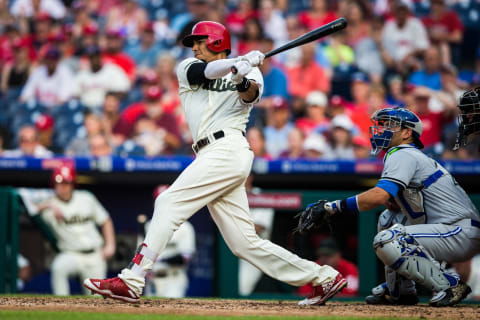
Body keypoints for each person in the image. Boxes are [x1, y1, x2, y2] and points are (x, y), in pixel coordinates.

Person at [84, 20, 347, 305]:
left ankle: (132, 279)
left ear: (217, 42)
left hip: (229, 147)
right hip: (210, 152)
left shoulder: (251, 71)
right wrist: (237, 64)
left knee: (168, 202)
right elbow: (205, 72)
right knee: (244, 243)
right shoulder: (187, 67)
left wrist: (242, 77)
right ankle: (323, 277)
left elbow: (250, 95)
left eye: (200, 41)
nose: (194, 47)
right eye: (193, 42)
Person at [295, 107, 480, 307]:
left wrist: (332, 207)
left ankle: (450, 285)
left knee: (388, 240)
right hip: (449, 230)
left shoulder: (403, 153)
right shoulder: (408, 155)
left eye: (391, 125)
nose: (383, 129)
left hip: (460, 231)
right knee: (388, 218)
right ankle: (400, 290)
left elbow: (379, 195)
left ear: (407, 133)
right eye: (383, 125)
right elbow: (394, 201)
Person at [37, 165, 116, 295]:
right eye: (59, 183)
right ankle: (60, 306)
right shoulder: (49, 205)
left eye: (66, 183)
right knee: (58, 268)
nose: (63, 186)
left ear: (73, 184)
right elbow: (26, 207)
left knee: (96, 299)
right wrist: (48, 205)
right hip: (71, 254)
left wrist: (110, 245)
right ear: (54, 184)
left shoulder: (86, 198)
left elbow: (105, 220)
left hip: (94, 254)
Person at [143, 185, 196, 298]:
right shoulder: (148, 226)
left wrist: (160, 260)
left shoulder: (185, 227)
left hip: (173, 279)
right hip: (152, 279)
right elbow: (141, 254)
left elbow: (184, 258)